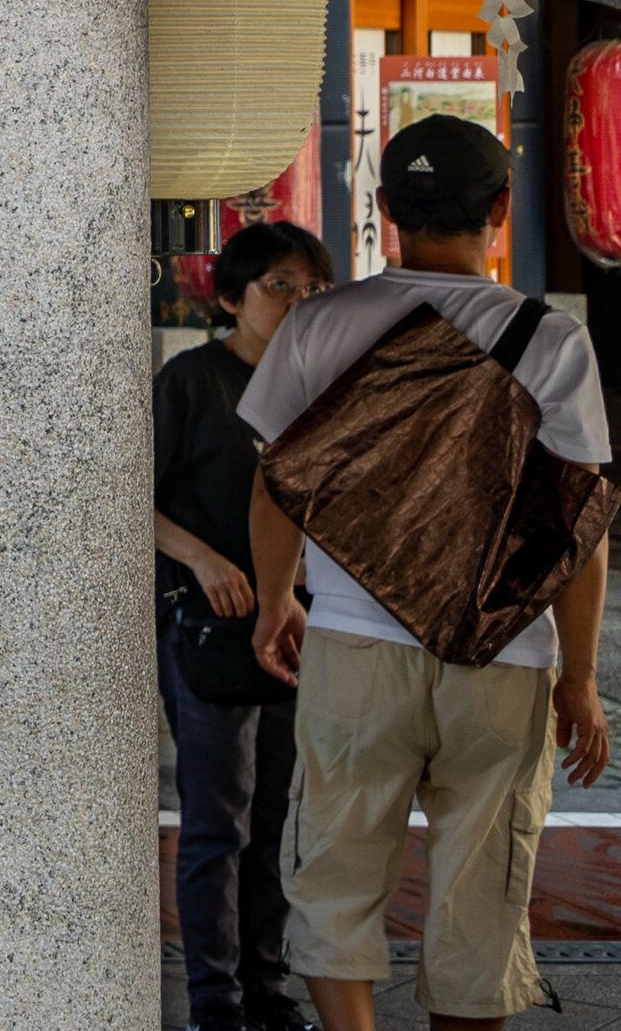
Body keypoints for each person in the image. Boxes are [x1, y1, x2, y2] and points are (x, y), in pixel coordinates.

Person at [240, 116, 611, 1031]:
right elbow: (579, 528)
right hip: (502, 652)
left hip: (355, 642)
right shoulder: (549, 339)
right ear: (499, 208)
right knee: (482, 882)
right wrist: (579, 678)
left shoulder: (321, 322)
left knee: (334, 863)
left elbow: (276, 484)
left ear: (384, 210)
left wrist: (278, 599)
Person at [158, 220, 331, 1031]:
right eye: (280, 286)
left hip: (296, 624)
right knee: (216, 820)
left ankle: (268, 989)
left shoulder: (320, 385)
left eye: (311, 289)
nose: (298, 302)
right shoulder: (193, 380)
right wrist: (204, 560)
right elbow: (132, 501)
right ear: (231, 297)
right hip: (209, 629)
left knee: (273, 820)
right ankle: (215, 1003)